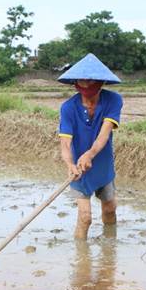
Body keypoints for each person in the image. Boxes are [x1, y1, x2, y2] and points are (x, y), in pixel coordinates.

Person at [57, 53, 123, 240]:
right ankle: (81, 260)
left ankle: (109, 249)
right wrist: (70, 164)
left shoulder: (113, 100)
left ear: (100, 82)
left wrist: (90, 155)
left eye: (90, 81)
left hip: (102, 163)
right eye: (81, 81)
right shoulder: (68, 107)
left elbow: (104, 134)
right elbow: (65, 142)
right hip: (79, 168)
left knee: (110, 208)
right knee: (85, 218)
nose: (85, 85)